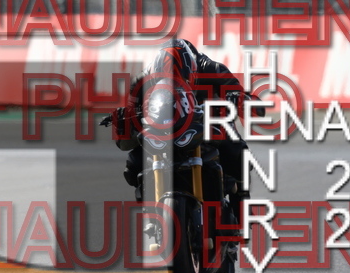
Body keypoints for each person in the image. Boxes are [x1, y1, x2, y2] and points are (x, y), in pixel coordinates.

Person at [107, 39, 258, 218]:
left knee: (235, 149)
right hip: (165, 128)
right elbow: (131, 112)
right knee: (134, 163)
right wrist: (124, 119)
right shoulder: (142, 80)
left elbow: (239, 93)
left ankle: (241, 199)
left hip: (208, 122)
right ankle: (152, 208)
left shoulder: (213, 69)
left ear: (193, 71)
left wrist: (239, 99)